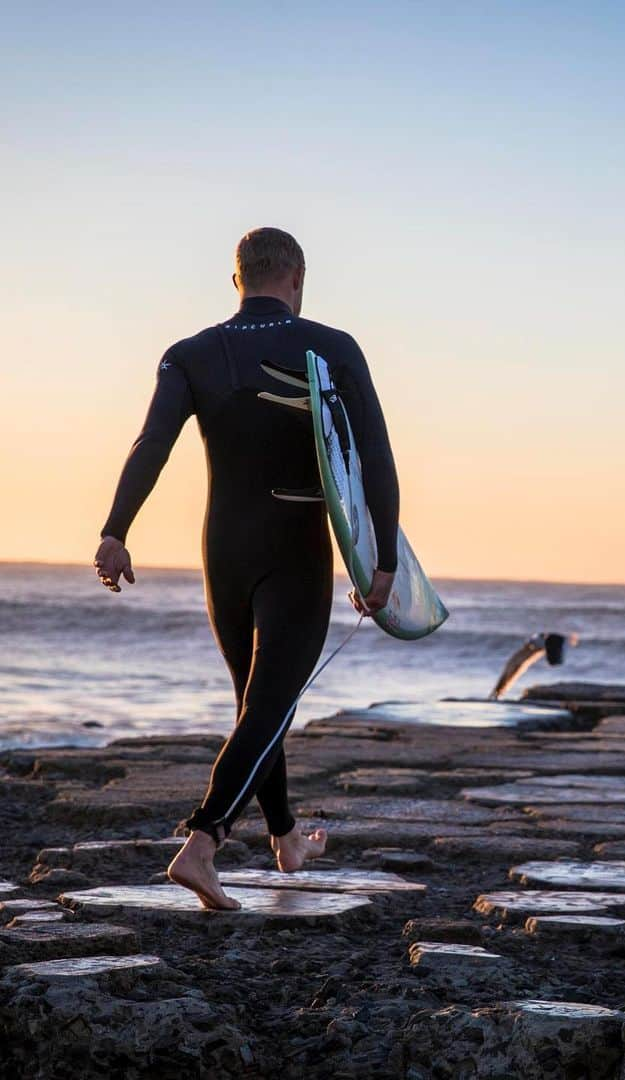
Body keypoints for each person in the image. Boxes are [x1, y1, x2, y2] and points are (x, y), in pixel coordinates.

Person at [94, 228, 399, 909]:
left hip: (223, 552)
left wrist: (116, 531)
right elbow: (374, 457)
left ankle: (287, 838)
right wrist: (381, 563)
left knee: (258, 708)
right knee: (269, 706)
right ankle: (201, 845)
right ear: (296, 279)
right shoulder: (333, 348)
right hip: (294, 549)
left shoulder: (189, 355)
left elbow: (152, 445)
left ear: (237, 279)